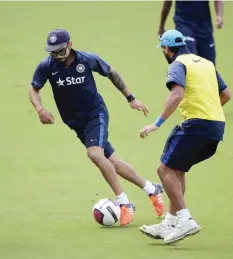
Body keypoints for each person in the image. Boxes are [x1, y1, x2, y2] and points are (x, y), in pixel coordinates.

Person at [29, 29, 166, 226]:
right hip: (75, 123)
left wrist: (131, 98)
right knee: (114, 163)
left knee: (94, 154)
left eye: (60, 51)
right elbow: (34, 88)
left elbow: (111, 72)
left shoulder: (87, 60)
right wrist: (40, 109)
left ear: (70, 45)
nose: (57, 56)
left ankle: (124, 203)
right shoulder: (46, 66)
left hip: (96, 114)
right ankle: (152, 189)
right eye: (53, 52)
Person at [139, 30, 231, 244]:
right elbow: (226, 94)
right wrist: (210, 111)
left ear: (167, 49)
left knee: (164, 170)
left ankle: (185, 219)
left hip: (196, 124)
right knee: (177, 169)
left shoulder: (178, 64)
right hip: (216, 127)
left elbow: (177, 94)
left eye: (163, 49)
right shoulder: (206, 63)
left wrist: (156, 123)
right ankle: (170, 222)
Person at [158, 0, 224, 65]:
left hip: (204, 27)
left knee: (210, 65)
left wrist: (219, 16)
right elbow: (168, 1)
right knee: (188, 60)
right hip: (184, 24)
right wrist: (161, 25)